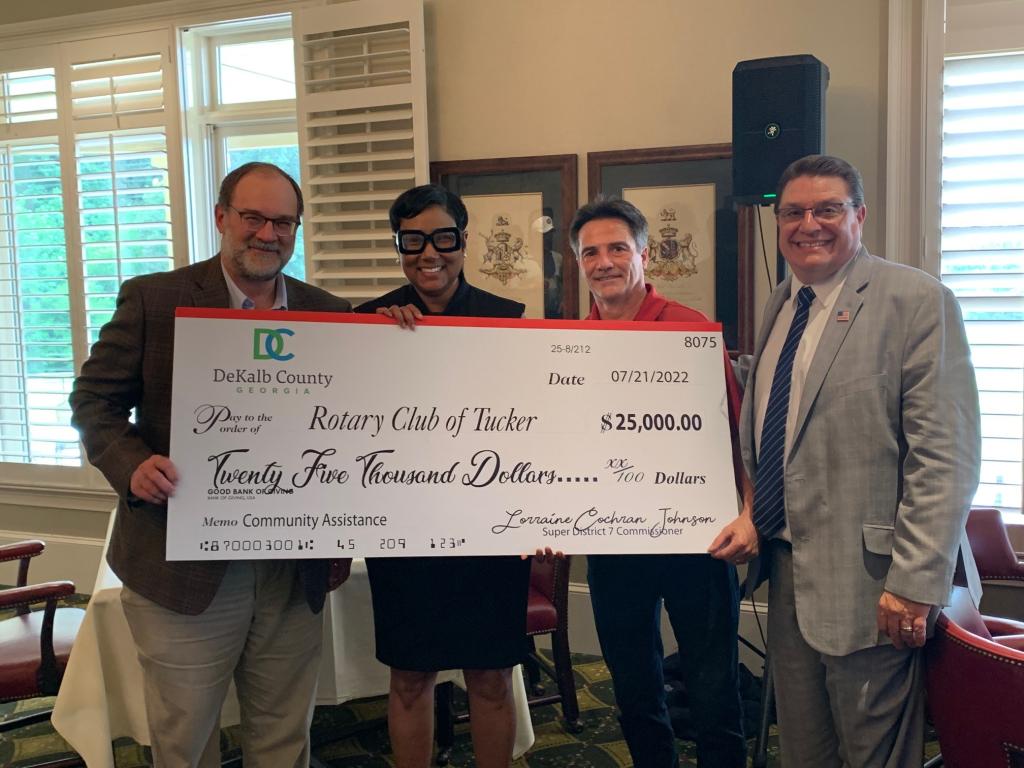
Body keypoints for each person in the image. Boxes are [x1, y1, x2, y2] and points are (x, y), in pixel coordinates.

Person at [69, 162, 352, 767]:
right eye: (253, 217)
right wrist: (132, 464)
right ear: (222, 217)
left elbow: (353, 426)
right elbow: (93, 401)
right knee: (185, 740)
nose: (267, 234)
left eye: (283, 222)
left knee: (283, 736)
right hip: (180, 567)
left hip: (291, 568)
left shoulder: (327, 311)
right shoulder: (155, 298)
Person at [739, 154, 981, 766]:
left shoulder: (917, 300)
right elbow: (778, 438)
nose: (808, 224)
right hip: (788, 570)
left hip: (877, 586)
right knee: (804, 750)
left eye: (828, 209)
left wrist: (914, 583)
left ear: (860, 215)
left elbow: (944, 456)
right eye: (793, 212)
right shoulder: (780, 304)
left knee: (874, 754)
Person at [569, 197, 754, 768]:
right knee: (632, 680)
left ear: (644, 254)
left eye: (617, 248)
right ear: (579, 262)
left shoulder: (689, 330)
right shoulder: (565, 346)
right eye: (590, 252)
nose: (604, 262)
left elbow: (735, 432)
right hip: (612, 540)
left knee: (712, 678)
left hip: (695, 538)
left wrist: (749, 514)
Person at [355, 183, 532, 768]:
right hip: (402, 529)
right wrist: (379, 343)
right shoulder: (366, 326)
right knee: (409, 676)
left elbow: (534, 425)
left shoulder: (508, 321)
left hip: (489, 528)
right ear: (399, 246)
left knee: (490, 675)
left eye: (442, 238)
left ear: (464, 239)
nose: (428, 253)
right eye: (413, 241)